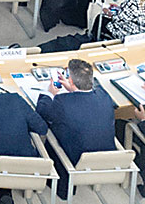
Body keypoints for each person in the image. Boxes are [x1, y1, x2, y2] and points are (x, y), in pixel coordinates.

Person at [37, 59, 116, 191]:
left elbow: (42, 112)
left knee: (50, 133)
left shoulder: (62, 101)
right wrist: (73, 89)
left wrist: (49, 93)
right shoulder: (104, 97)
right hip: (107, 158)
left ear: (71, 81)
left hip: (76, 158)